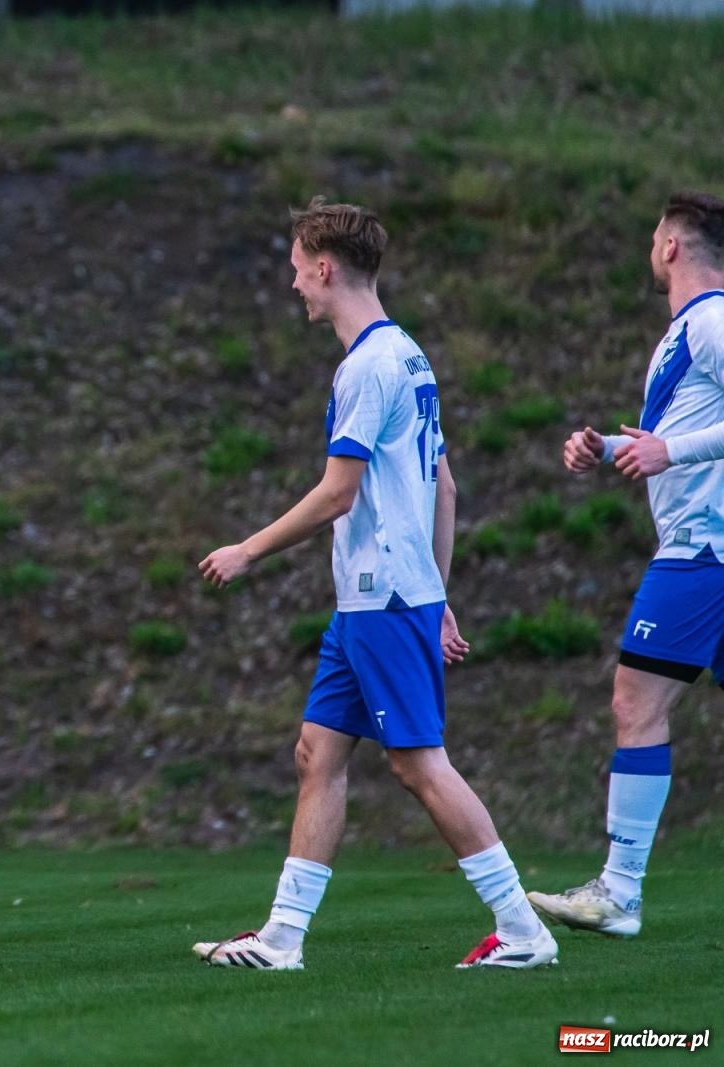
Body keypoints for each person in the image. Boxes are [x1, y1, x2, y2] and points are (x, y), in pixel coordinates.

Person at [192, 198, 558, 971]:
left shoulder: (366, 366)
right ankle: (282, 938)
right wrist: (439, 595)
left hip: (382, 594)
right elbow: (444, 487)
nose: (294, 284)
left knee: (418, 763)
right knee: (316, 752)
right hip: (380, 597)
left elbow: (338, 492)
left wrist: (248, 550)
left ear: (326, 268)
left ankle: (523, 928)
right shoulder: (409, 355)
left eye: (298, 269)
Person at [528, 191, 724, 938]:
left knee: (635, 705)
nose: (651, 246)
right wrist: (609, 448)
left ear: (672, 245)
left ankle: (619, 890)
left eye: (654, 236)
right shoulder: (687, 331)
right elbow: (687, 434)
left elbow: (681, 446)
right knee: (638, 705)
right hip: (704, 545)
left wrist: (669, 450)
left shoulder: (709, 320)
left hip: (703, 550)